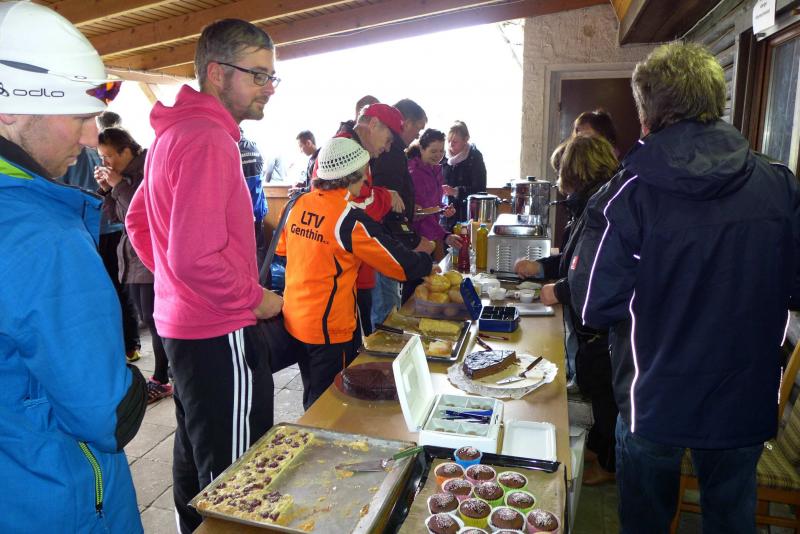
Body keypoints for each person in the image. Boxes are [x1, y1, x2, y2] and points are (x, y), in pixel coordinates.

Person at [568, 42, 800, 533]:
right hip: (744, 395)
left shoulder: (626, 196)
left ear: (647, 112)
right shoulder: (780, 185)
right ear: (715, 101)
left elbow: (593, 304)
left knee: (646, 523)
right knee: (730, 519)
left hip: (654, 397)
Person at [126, 19, 284, 533]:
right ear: (217, 73)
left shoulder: (174, 133)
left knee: (197, 451)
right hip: (219, 329)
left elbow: (138, 222)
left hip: (182, 326)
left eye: (272, 76)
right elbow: (195, 257)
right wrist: (254, 297)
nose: (269, 87)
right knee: (238, 478)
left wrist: (175, 285)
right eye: (258, 75)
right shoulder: (210, 139)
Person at [0, 2, 147, 532]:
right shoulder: (41, 235)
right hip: (55, 501)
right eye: (79, 115)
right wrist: (134, 380)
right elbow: (108, 416)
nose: (90, 139)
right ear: (10, 109)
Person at [276, 137, 435, 409]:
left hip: (295, 319)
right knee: (331, 403)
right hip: (330, 327)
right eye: (364, 174)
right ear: (352, 176)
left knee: (313, 392)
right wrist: (427, 260)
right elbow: (399, 265)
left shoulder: (296, 204)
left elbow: (283, 250)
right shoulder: (347, 219)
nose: (366, 181)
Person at [514, 135, 619, 486]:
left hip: (603, 328)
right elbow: (573, 261)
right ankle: (600, 447)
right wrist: (540, 267)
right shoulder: (588, 205)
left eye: (561, 171)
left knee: (606, 395)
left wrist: (557, 291)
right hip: (592, 329)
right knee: (598, 390)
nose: (559, 179)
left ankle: (609, 465)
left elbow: (594, 275)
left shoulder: (601, 209)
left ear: (575, 171)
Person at [95, 127, 173, 403]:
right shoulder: (125, 176)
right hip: (131, 257)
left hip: (150, 257)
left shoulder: (148, 169)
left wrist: (117, 185)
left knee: (156, 320)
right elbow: (117, 217)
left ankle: (162, 379)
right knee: (149, 318)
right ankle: (169, 370)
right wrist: (108, 191)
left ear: (126, 150)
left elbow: (142, 213)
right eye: (101, 158)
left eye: (108, 156)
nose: (105, 163)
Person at [60, 137, 142, 365]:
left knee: (105, 289)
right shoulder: (100, 151)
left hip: (94, 229)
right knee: (121, 288)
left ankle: (119, 347)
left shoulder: (66, 155)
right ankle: (130, 345)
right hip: (115, 226)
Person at [371, 98, 431, 320]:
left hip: (385, 241)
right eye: (418, 128)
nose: (418, 135)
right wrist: (413, 241)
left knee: (387, 305)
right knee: (387, 312)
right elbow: (387, 209)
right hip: (384, 243)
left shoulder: (394, 151)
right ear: (406, 123)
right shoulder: (393, 153)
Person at [407, 128, 461, 259]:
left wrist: (443, 208)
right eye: (433, 151)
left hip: (430, 233)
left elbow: (432, 204)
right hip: (416, 237)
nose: (438, 155)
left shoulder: (435, 169)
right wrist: (445, 235)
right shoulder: (415, 173)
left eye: (441, 151)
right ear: (421, 149)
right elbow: (423, 213)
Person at [442, 120, 487, 228]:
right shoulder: (443, 157)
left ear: (466, 139)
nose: (450, 144)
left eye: (455, 141)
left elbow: (480, 188)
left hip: (467, 215)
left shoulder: (475, 157)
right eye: (449, 141)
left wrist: (456, 191)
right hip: (445, 215)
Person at [239, 129, 268, 268]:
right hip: (258, 207)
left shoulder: (233, 149)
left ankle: (250, 279)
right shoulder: (255, 147)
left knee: (244, 252)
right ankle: (265, 279)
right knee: (260, 248)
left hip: (243, 212)